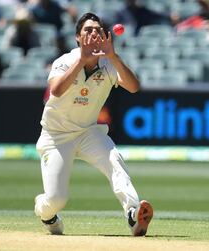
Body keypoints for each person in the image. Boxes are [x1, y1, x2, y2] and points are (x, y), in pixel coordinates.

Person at [34, 12, 153, 236]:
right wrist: (82, 60)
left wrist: (114, 56)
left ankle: (133, 214)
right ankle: (46, 212)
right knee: (56, 199)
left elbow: (134, 86)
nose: (93, 34)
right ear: (78, 37)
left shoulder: (109, 64)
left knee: (114, 159)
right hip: (56, 136)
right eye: (88, 31)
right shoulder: (65, 61)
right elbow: (57, 90)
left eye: (97, 31)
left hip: (88, 132)